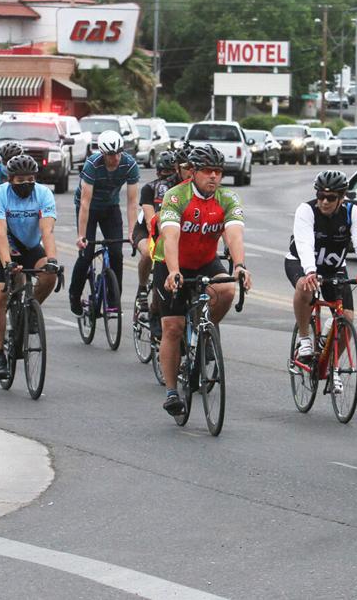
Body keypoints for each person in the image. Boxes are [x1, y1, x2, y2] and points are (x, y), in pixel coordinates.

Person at [151, 145, 250, 416]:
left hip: (205, 260)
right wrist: (173, 271)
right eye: (208, 171)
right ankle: (172, 391)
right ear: (193, 172)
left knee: (228, 288)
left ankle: (204, 331)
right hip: (171, 263)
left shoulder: (227, 198)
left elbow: (234, 234)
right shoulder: (175, 196)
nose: (214, 176)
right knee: (172, 327)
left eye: (218, 171)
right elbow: (170, 235)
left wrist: (240, 265)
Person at [0, 154, 60, 379]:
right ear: (10, 179)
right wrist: (8, 265)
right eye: (20, 181)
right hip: (0, 247)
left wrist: (53, 260)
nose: (26, 184)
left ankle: (30, 311)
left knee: (48, 275)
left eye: (30, 179)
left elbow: (47, 231)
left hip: (29, 246)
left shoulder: (44, 193)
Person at [287, 170, 357, 362]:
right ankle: (305, 338)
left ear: (341, 197)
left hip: (334, 267)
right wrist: (310, 271)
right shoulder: (306, 210)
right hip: (300, 262)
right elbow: (305, 243)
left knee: (346, 319)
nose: (324, 202)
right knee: (305, 286)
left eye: (330, 198)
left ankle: (332, 366)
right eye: (320, 196)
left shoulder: (353, 213)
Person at [69, 130, 139, 317]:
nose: (115, 158)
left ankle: (113, 300)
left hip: (110, 207)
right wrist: (81, 236)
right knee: (86, 254)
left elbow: (132, 203)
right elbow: (84, 203)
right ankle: (74, 295)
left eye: (118, 153)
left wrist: (133, 232)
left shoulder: (129, 164)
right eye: (110, 155)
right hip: (89, 208)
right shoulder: (92, 165)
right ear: (102, 153)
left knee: (116, 252)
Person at [132, 150, 179, 316]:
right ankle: (142, 288)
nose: (168, 177)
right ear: (158, 172)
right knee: (148, 253)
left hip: (172, 231)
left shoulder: (181, 190)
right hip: (146, 230)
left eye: (172, 172)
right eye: (165, 172)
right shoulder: (149, 188)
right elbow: (150, 221)